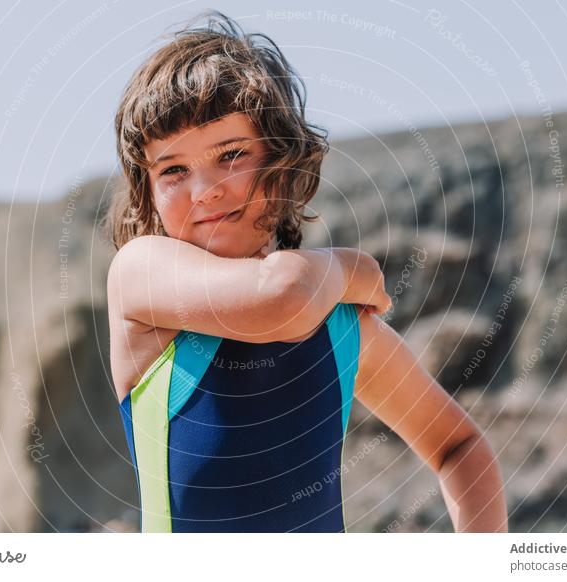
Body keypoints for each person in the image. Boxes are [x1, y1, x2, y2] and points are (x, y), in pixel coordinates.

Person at [104, 10, 508, 533]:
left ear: (284, 161)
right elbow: (281, 300)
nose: (204, 188)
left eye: (230, 154)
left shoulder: (342, 331)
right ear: (148, 192)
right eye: (173, 169)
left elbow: (459, 447)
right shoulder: (142, 274)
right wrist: (349, 267)